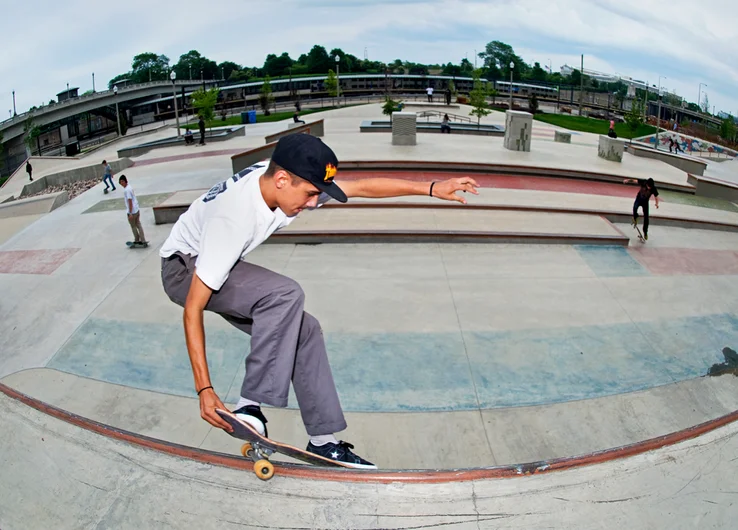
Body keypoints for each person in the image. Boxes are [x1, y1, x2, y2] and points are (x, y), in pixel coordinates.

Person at [159, 134, 479, 468]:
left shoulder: (280, 177)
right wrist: (204, 390)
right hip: (183, 270)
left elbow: (362, 188)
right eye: (310, 194)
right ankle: (249, 406)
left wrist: (430, 188)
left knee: (305, 329)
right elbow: (193, 307)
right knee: (284, 294)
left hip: (213, 261)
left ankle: (323, 442)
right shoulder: (234, 217)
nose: (313, 204)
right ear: (282, 180)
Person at [119, 175, 147, 246]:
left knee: (133, 226)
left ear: (125, 181)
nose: (121, 184)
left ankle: (137, 239)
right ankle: (143, 240)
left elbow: (130, 201)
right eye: (120, 182)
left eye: (122, 182)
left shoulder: (127, 190)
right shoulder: (129, 187)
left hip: (132, 211)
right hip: (137, 209)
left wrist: (130, 213)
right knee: (138, 224)